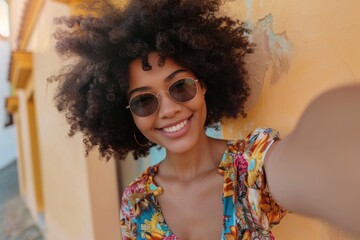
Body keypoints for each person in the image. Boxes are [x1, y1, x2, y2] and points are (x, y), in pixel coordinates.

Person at [51, 0, 360, 239]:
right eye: (144, 101)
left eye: (180, 86)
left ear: (204, 84)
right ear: (127, 114)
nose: (169, 109)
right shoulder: (136, 201)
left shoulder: (251, 164)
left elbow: (311, 159)